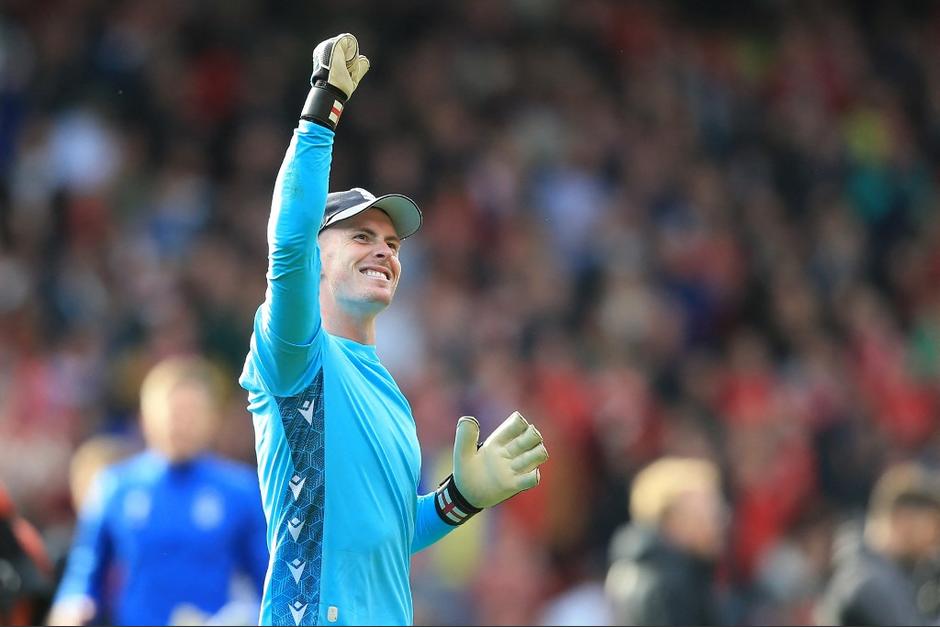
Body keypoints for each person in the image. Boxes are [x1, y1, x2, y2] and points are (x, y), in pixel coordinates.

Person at [238, 33, 550, 626]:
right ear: (318, 258)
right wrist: (323, 108)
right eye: (361, 236)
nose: (384, 250)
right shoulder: (296, 358)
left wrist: (459, 501)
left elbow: (386, 540)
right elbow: (287, 243)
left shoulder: (391, 394)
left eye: (391, 243)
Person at [48, 356, 269, 626]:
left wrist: (238, 619)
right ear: (146, 417)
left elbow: (269, 583)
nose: (180, 423)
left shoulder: (239, 490)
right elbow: (82, 574)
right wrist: (72, 606)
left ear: (211, 419)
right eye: (173, 412)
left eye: (191, 413)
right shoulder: (115, 487)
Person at [605, 456, 728, 626]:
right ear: (673, 520)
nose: (721, 521)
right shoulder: (669, 585)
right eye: (709, 513)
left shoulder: (638, 569)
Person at [815, 461, 940, 626]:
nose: (934, 541)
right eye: (933, 525)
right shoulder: (868, 581)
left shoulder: (887, 573)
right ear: (904, 519)